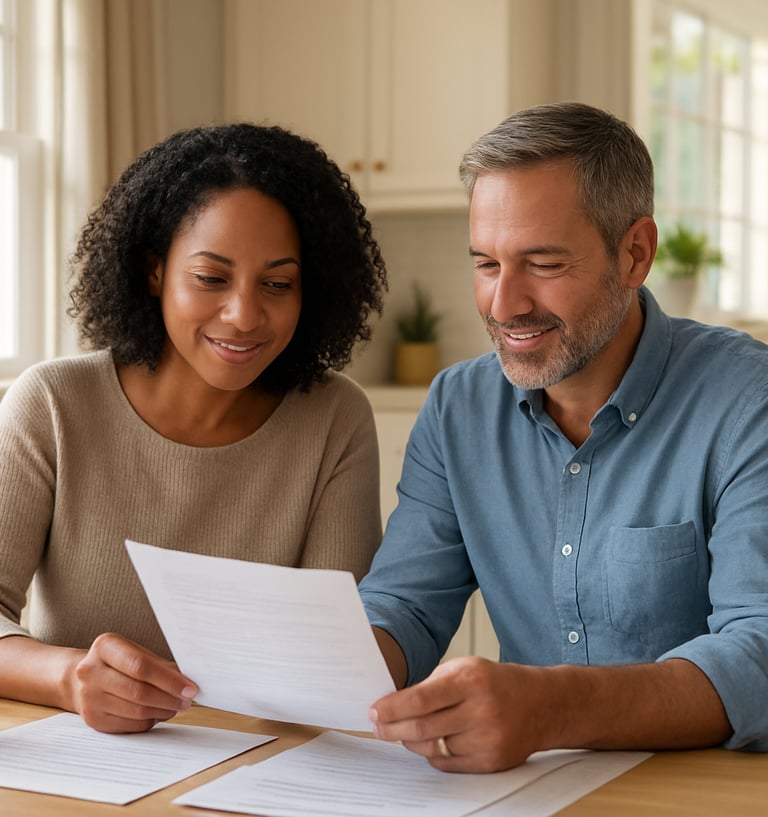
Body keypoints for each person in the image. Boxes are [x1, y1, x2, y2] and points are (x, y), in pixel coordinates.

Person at [359, 101, 768, 773]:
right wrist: (307, 669)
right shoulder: (457, 407)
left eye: (543, 264)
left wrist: (551, 708)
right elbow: (404, 604)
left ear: (635, 253)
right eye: (486, 264)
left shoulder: (748, 401)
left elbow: (760, 650)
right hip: (526, 791)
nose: (504, 305)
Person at [0, 122, 387, 733]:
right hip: (76, 762)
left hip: (260, 759)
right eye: (211, 278)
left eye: (277, 284)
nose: (244, 315)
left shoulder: (335, 419)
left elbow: (333, 661)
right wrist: (68, 677)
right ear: (154, 271)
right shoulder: (52, 404)